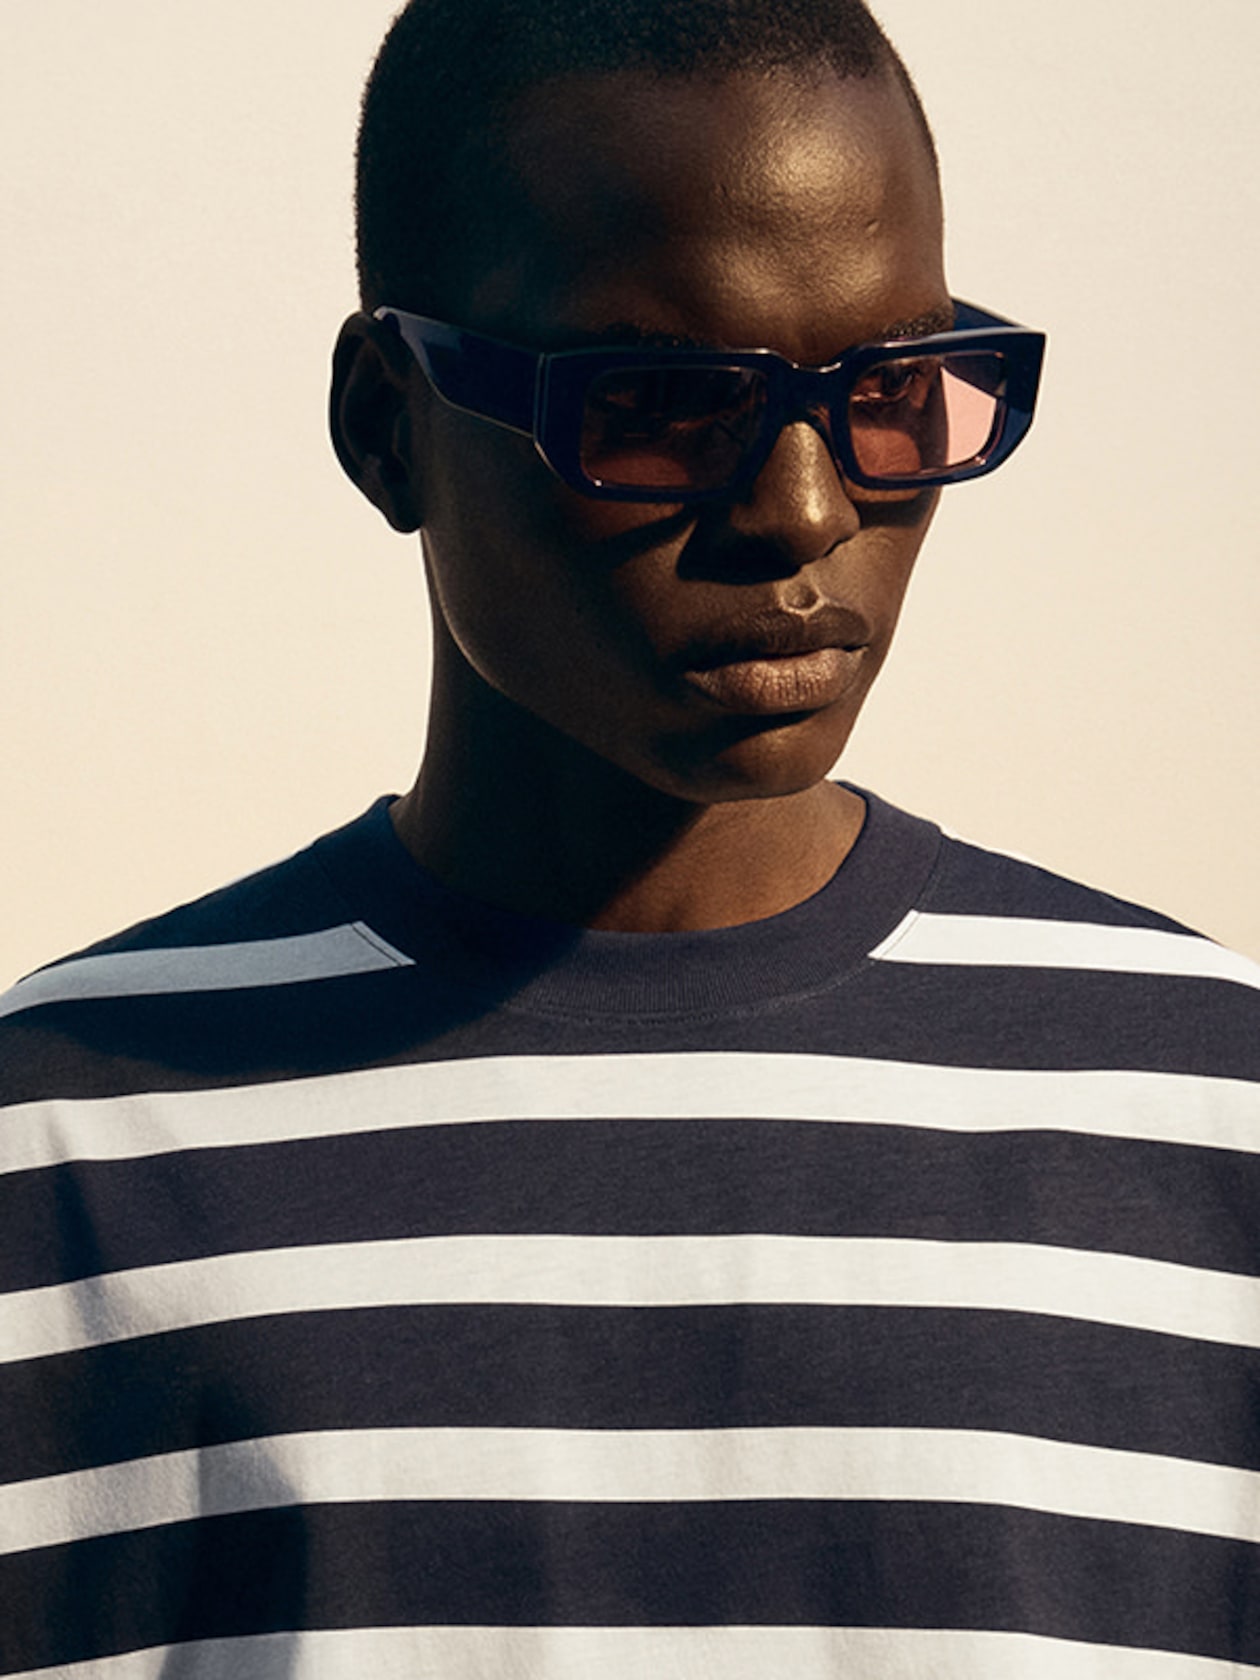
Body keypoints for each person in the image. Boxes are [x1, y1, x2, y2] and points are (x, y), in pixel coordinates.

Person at [1, 0, 1257, 1674]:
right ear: (389, 425)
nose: (804, 512)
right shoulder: (70, 1146)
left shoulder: (1208, 1112)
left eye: (895, 392)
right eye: (660, 404)